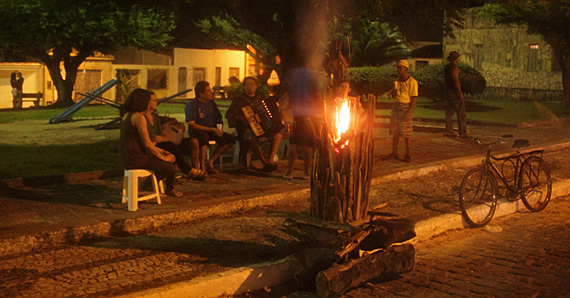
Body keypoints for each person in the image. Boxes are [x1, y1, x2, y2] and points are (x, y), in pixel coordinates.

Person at [118, 88, 182, 197]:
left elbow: (144, 143)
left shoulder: (127, 115)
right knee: (169, 167)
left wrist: (162, 151)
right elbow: (147, 143)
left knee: (168, 156)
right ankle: (145, 186)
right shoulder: (139, 117)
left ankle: (149, 187)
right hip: (136, 158)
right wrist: (163, 157)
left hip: (126, 156)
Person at [225, 77, 283, 172]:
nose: (250, 86)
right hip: (246, 130)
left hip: (263, 129)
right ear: (244, 87)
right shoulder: (239, 100)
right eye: (247, 84)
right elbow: (229, 114)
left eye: (252, 84)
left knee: (278, 136)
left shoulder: (261, 99)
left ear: (256, 86)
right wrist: (241, 117)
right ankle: (264, 162)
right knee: (251, 138)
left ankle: (270, 160)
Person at [185, 81, 235, 174]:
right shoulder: (193, 104)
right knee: (203, 137)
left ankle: (210, 161)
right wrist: (210, 129)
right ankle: (202, 167)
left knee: (229, 140)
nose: (211, 92)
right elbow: (192, 124)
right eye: (208, 90)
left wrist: (219, 129)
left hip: (212, 130)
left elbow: (218, 118)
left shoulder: (211, 104)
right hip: (199, 130)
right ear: (201, 94)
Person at [145, 108, 206, 180]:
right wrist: (167, 139)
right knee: (170, 146)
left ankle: (195, 170)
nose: (156, 102)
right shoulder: (142, 119)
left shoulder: (156, 117)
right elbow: (152, 138)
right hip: (156, 144)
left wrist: (166, 125)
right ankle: (187, 170)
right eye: (153, 101)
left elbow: (173, 120)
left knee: (193, 141)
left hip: (168, 141)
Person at [282, 67, 322, 180]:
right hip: (309, 114)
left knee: (293, 144)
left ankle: (290, 172)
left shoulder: (291, 73)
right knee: (307, 145)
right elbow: (317, 93)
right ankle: (307, 172)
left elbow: (285, 91)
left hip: (296, 113)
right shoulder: (312, 74)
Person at [389, 59, 418, 163]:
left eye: (400, 68)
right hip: (396, 106)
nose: (398, 70)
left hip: (405, 106)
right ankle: (394, 152)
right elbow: (393, 96)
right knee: (395, 131)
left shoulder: (412, 82)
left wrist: (408, 112)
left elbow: (414, 98)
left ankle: (408, 154)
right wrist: (394, 90)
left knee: (406, 133)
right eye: (397, 68)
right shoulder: (397, 81)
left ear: (405, 69)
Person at [444, 51, 469, 138]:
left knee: (449, 113)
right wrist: (460, 92)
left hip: (448, 92)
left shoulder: (446, 68)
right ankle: (462, 132)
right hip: (454, 92)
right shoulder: (454, 68)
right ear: (456, 59)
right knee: (461, 113)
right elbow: (456, 81)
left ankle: (449, 130)